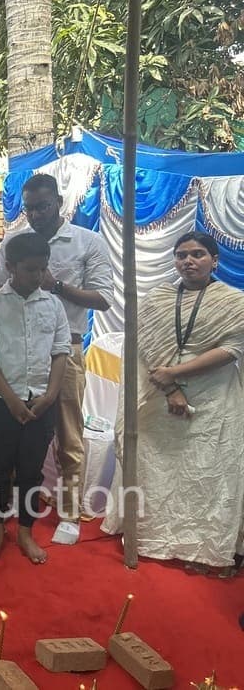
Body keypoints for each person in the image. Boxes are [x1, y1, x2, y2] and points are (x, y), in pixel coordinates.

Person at [102, 232, 244, 575]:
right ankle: (156, 538)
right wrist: (169, 388)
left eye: (197, 254)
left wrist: (176, 373)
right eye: (181, 255)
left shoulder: (234, 301)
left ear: (215, 260)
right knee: (161, 472)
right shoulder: (157, 299)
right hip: (159, 401)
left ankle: (207, 548)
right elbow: (143, 350)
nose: (188, 261)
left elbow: (232, 349)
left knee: (209, 474)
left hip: (214, 401)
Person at [0, 173, 111, 545]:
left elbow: (103, 298)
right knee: (12, 430)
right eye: (29, 208)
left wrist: (54, 285)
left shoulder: (86, 241)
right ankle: (12, 501)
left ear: (59, 202)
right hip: (15, 350)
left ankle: (70, 512)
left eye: (43, 206)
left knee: (68, 434)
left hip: (66, 350)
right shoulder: (11, 241)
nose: (36, 215)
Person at [0, 232, 70, 565]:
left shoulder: (53, 305)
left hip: (42, 401)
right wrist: (11, 400)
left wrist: (50, 395)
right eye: (31, 269)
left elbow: (61, 352)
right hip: (2, 401)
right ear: (11, 267)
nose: (38, 276)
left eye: (42, 269)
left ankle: (26, 532)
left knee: (31, 472)